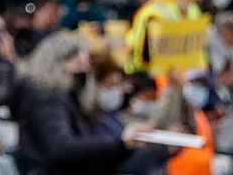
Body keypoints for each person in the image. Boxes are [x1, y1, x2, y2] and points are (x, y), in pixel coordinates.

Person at [12, 31, 156, 175]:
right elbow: (61, 149)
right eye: (77, 62)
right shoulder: (46, 99)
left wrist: (123, 145)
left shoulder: (68, 98)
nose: (85, 69)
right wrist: (120, 143)